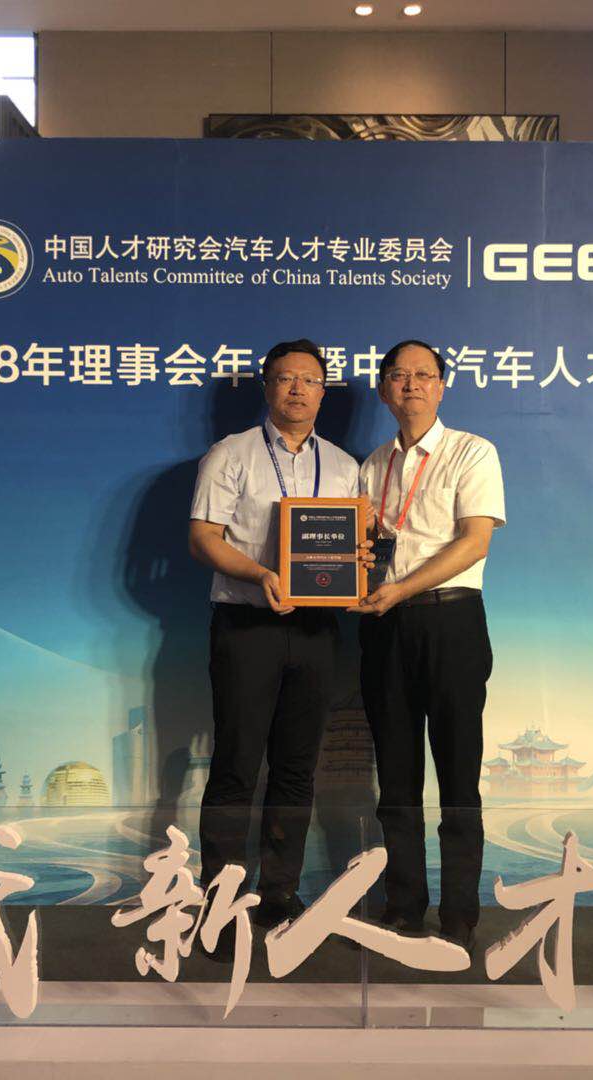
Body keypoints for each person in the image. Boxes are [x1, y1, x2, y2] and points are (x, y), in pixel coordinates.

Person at [188, 338, 369, 930]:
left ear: (323, 392)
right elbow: (203, 539)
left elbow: (352, 546)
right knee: (236, 766)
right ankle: (219, 901)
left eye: (310, 381)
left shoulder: (344, 466)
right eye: (286, 379)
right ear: (266, 387)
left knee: (296, 767)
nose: (298, 389)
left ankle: (278, 895)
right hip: (247, 625)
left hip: (317, 629)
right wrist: (260, 573)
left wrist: (361, 562)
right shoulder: (231, 453)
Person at [353, 339, 505, 952]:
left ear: (442, 386)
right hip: (384, 626)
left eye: (424, 375)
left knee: (459, 775)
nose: (411, 384)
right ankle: (404, 906)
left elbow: (474, 543)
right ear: (383, 389)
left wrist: (399, 588)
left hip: (451, 622)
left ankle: (460, 914)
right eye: (399, 375)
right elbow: (364, 551)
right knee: (395, 777)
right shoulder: (371, 466)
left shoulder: (472, 451)